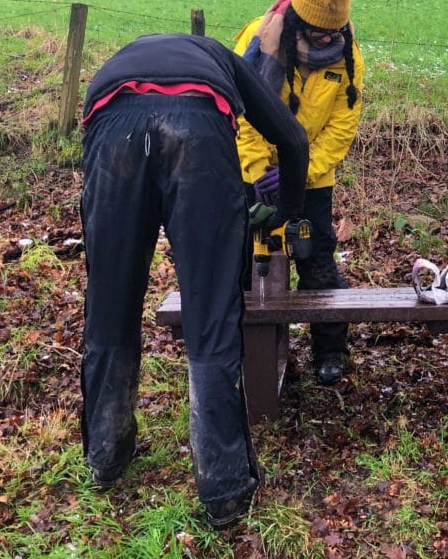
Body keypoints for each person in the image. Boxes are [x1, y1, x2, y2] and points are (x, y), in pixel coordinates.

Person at [79, 33, 309, 527]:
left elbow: (91, 127)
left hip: (111, 127)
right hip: (200, 130)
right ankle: (223, 488)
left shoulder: (122, 57)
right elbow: (291, 137)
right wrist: (288, 209)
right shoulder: (222, 58)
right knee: (211, 317)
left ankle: (104, 454)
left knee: (109, 303)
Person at [234, 0, 364, 386]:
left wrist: (296, 173)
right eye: (317, 32)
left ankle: (329, 351)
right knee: (245, 264)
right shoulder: (258, 39)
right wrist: (258, 172)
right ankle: (245, 353)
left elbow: (342, 127)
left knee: (317, 261)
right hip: (253, 171)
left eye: (334, 32)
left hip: (311, 178)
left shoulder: (349, 59)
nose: (327, 40)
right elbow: (239, 110)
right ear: (296, 22)